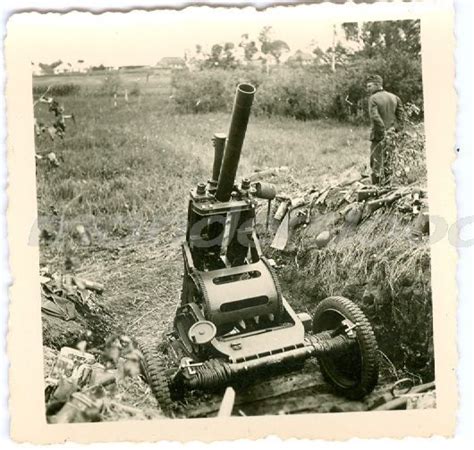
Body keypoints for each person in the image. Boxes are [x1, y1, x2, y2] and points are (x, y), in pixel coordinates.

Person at [366, 74, 405, 185]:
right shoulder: (394, 97)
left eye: (369, 86)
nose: (367, 89)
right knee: (389, 162)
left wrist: (383, 131)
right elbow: (401, 116)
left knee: (376, 163)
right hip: (392, 135)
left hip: (378, 136)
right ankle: (388, 187)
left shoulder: (373, 99)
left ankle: (376, 190)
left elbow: (375, 117)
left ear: (377, 85)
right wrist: (396, 130)